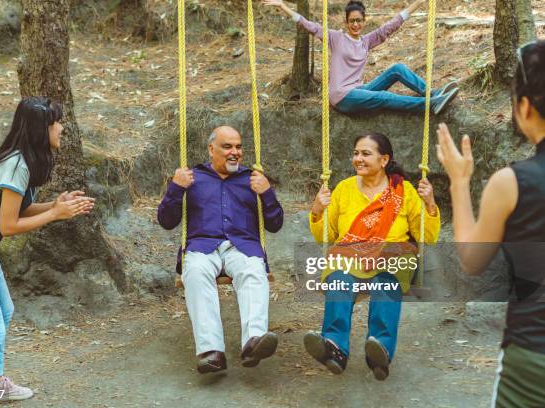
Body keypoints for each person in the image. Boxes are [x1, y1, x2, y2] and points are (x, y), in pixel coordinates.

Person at [0, 97, 95, 407]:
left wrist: (54, 206)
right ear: (42, 129)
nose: (62, 127)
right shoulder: (14, 164)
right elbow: (8, 226)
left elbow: (19, 209)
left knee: (5, 313)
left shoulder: (25, 160)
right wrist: (55, 215)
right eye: (56, 122)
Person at [436, 40, 545, 407]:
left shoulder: (512, 182)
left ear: (525, 108)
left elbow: (472, 259)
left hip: (533, 357)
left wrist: (459, 181)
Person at [307, 132, 440, 380]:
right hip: (350, 253)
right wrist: (317, 210)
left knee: (385, 284)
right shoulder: (344, 189)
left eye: (366, 153)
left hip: (393, 253)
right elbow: (326, 237)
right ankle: (335, 348)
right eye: (356, 153)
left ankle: (379, 352)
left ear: (384, 159)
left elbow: (427, 237)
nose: (358, 158)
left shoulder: (405, 191)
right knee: (339, 281)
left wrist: (430, 204)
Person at [157, 126, 284, 373]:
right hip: (203, 247)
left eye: (238, 146)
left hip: (242, 247)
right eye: (227, 147)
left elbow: (275, 224)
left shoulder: (254, 180)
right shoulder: (192, 177)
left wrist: (266, 193)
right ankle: (210, 351)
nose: (234, 152)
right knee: (194, 272)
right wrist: (176, 188)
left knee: (253, 270)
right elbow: (166, 221)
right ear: (211, 149)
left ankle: (254, 342)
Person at [263, 0, 459, 115]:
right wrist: (282, 6)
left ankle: (431, 93)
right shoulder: (336, 38)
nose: (355, 24)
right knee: (384, 97)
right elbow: (309, 25)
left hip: (358, 90)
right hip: (342, 97)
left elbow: (390, 26)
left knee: (397, 69)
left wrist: (418, 3)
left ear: (364, 22)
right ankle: (429, 106)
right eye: (351, 21)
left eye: (359, 20)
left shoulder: (367, 41)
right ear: (346, 22)